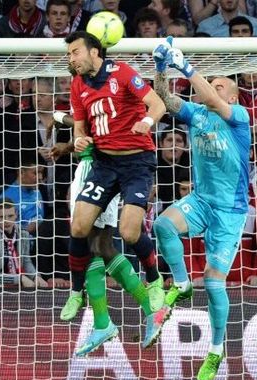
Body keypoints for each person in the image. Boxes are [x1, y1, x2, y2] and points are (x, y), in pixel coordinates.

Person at [151, 37, 251, 380]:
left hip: (230, 211)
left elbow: (207, 95)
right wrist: (162, 69)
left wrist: (189, 69)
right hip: (202, 199)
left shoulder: (239, 118)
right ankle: (180, 282)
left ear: (232, 96)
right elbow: (163, 99)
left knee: (213, 281)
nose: (212, 88)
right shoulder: (196, 115)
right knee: (162, 225)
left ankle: (216, 348)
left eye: (220, 85)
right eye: (212, 83)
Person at [64, 31, 169, 348]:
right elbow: (81, 129)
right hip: (103, 163)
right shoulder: (78, 85)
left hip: (136, 163)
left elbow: (156, 104)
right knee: (80, 226)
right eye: (69, 54)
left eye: (75, 53)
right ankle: (76, 291)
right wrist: (80, 140)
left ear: (94, 51)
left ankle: (154, 281)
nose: (71, 59)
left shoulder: (122, 72)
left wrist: (147, 123)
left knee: (129, 231)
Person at [0, 200, 48, 288]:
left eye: (10, 216)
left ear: (16, 214)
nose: (6, 221)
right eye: (2, 217)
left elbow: (26, 262)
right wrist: (20, 279)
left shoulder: (23, 233)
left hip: (18, 284)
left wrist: (35, 276)